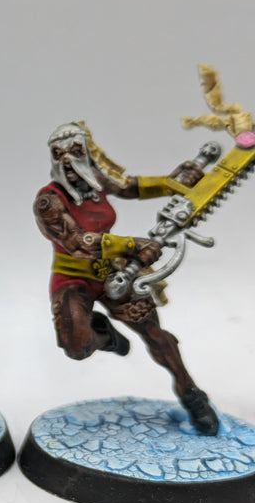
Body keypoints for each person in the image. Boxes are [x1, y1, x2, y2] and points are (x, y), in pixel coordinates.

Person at [34, 122, 219, 435]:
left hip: (114, 272)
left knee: (155, 334)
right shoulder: (49, 201)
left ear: (86, 153)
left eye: (74, 151)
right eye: (58, 154)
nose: (67, 160)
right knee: (77, 347)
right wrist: (133, 245)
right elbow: (77, 243)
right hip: (73, 279)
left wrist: (172, 183)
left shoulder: (97, 181)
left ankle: (191, 393)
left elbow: (130, 187)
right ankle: (106, 337)